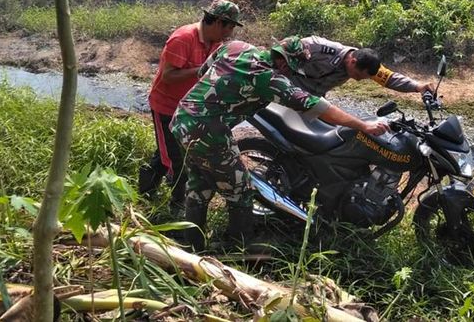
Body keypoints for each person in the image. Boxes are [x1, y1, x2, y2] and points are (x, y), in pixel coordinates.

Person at [169, 37, 389, 251]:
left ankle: (193, 244)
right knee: (242, 190)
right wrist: (362, 125)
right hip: (208, 132)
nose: (289, 74)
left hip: (182, 119)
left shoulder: (236, 46)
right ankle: (238, 244)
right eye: (290, 70)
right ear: (283, 62)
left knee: (199, 184)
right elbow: (318, 106)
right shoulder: (270, 79)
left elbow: (204, 70)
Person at [138, 0, 242, 209]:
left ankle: (145, 191)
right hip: (166, 106)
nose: (229, 33)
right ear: (218, 22)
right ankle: (177, 207)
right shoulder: (183, 38)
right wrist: (200, 70)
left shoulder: (215, 42)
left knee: (168, 152)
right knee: (178, 162)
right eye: (229, 26)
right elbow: (168, 76)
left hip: (188, 107)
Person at [288, 36, 438, 97]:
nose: (359, 80)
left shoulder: (366, 65)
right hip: (286, 89)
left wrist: (417, 86)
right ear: (352, 62)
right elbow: (286, 48)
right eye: (359, 76)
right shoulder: (319, 48)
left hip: (311, 98)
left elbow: (390, 79)